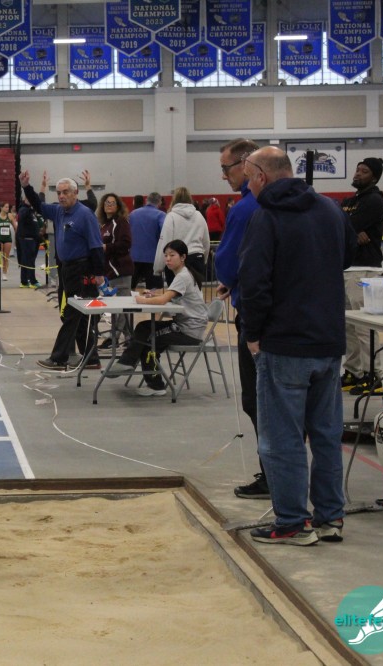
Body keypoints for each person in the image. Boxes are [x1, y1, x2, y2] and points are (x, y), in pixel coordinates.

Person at [238, 146, 355, 546]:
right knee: (325, 434)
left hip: (285, 342)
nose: (247, 186)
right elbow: (347, 256)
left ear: (261, 176)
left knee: (282, 437)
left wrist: (252, 333)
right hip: (328, 340)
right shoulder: (331, 209)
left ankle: (291, 521)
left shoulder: (266, 216)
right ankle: (330, 517)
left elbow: (254, 282)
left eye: (248, 178)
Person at [214, 138, 267, 500]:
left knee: (258, 400)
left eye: (226, 168)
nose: (224, 176)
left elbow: (228, 262)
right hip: (303, 322)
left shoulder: (246, 208)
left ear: (247, 165)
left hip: (256, 319)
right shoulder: (314, 206)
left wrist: (230, 279)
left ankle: (273, 476)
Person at [20, 170, 105, 372]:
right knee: (78, 316)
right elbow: (39, 205)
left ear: (75, 193)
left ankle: (59, 358)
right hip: (66, 269)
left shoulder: (85, 215)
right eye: (59, 193)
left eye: (65, 192)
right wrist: (26, 187)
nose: (61, 196)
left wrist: (99, 273)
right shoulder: (58, 211)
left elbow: (96, 245)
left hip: (82, 269)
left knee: (72, 314)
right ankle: (91, 358)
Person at [103, 240, 206, 397]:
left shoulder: (183, 276)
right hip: (182, 325)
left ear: (183, 257)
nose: (168, 259)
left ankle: (155, 385)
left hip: (189, 331)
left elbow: (163, 301)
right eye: (166, 256)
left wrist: (142, 300)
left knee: (149, 340)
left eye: (172, 255)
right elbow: (170, 297)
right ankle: (127, 362)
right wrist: (155, 296)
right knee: (144, 326)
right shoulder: (182, 275)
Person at [341, 157, 383, 395]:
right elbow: (340, 222)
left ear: (374, 177)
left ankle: (373, 375)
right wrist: (352, 229)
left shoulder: (374, 200)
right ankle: (354, 371)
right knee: (348, 326)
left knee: (364, 328)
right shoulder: (351, 201)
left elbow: (345, 225)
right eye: (358, 169)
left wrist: (351, 227)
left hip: (365, 270)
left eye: (365, 171)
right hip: (347, 268)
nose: (358, 173)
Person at [153, 186, 210, 287]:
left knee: (175, 294)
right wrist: (204, 259)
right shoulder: (199, 216)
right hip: (197, 259)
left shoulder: (171, 216)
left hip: (177, 260)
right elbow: (206, 241)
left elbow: (164, 242)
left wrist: (158, 268)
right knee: (195, 292)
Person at [97, 193, 134, 344]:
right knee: (119, 307)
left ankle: (115, 338)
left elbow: (126, 243)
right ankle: (129, 338)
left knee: (122, 307)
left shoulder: (121, 222)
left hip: (121, 270)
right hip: (110, 272)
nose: (109, 205)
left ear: (118, 206)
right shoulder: (104, 225)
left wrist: (106, 247)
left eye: (112, 203)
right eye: (107, 202)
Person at [128, 192, 165, 289]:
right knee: (155, 291)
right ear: (160, 202)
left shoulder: (132, 214)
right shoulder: (161, 215)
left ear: (146, 200)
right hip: (152, 258)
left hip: (134, 257)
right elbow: (164, 233)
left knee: (128, 289)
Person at [16, 195, 42, 288]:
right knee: (28, 261)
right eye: (28, 199)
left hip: (33, 239)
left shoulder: (32, 211)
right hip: (26, 239)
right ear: (25, 199)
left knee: (29, 261)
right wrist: (27, 206)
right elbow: (21, 217)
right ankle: (32, 281)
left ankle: (25, 281)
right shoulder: (23, 209)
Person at [0, 202, 15, 280]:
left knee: (6, 258)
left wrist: (18, 236)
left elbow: (15, 227)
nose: (7, 209)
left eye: (8, 207)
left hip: (7, 239)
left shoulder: (10, 216)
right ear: (1, 208)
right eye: (6, 207)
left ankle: (4, 273)